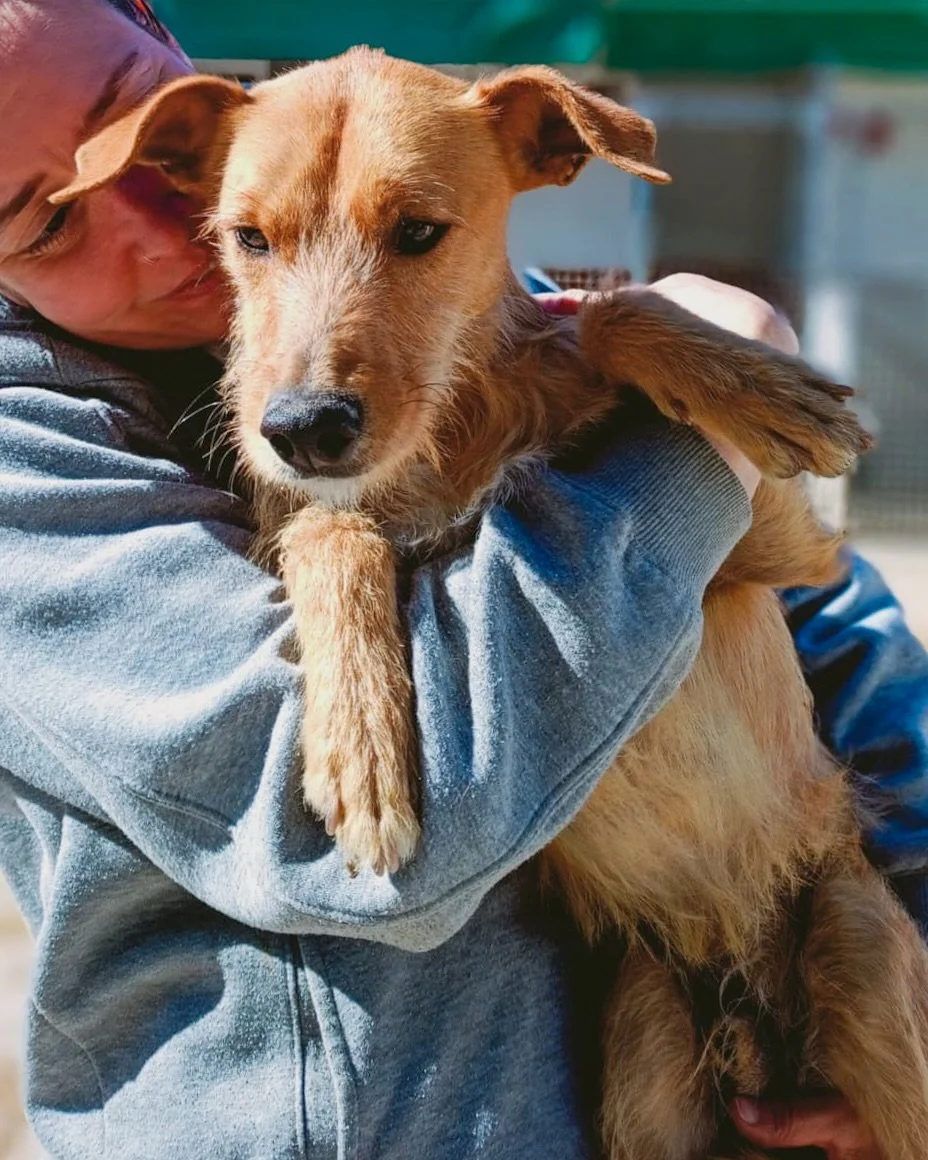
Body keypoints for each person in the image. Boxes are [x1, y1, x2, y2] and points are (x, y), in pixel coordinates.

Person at [0, 2, 925, 1157]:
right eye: (43, 223)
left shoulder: (417, 225)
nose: (169, 213)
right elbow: (390, 854)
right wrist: (701, 452)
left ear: (157, 27)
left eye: (135, 125)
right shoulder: (23, 457)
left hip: (759, 941)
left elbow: (817, 599)